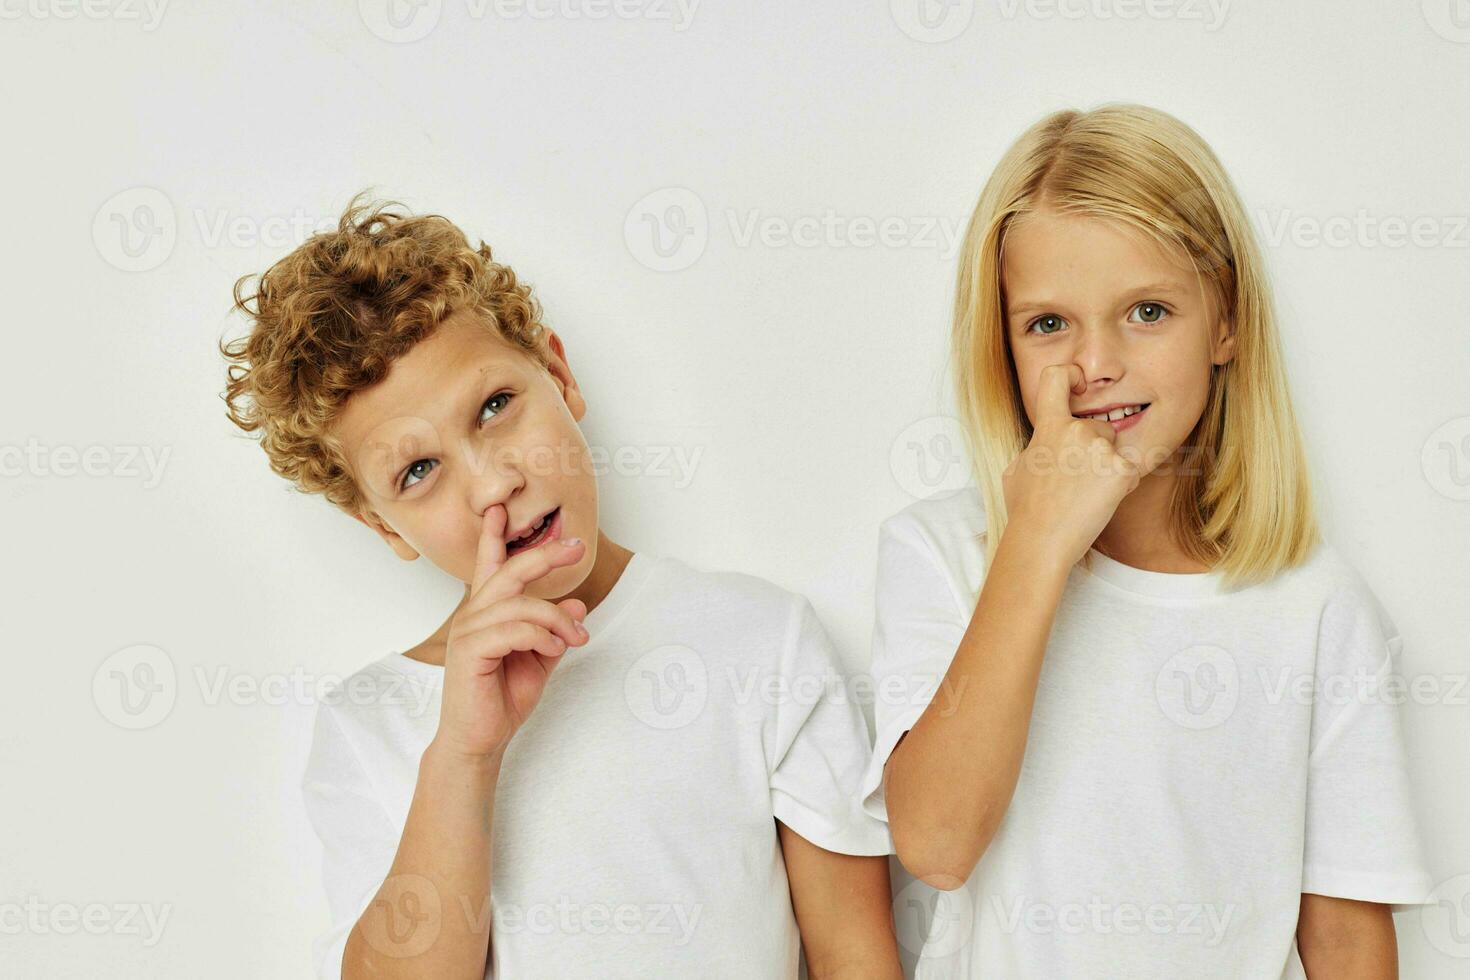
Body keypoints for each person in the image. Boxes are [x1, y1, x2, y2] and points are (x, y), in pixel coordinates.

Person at [219, 192, 902, 979]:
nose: (492, 484)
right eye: (418, 470)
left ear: (559, 374)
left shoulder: (759, 638)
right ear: (382, 528)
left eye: (496, 406)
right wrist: (464, 756)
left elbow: (857, 958)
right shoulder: (370, 725)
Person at [865, 103, 1434, 978]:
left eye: (1148, 311)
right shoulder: (942, 554)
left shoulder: (1314, 604)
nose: (1096, 363)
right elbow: (937, 843)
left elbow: (1348, 938)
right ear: (1003, 346)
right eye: (1049, 324)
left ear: (1226, 323)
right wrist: (1040, 542)